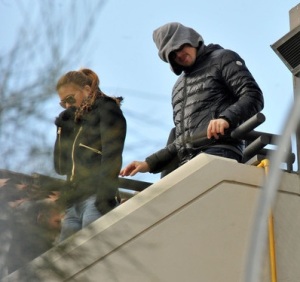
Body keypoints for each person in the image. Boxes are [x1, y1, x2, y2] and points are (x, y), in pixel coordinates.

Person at [120, 22, 263, 177]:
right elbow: (182, 141)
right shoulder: (178, 88)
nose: (179, 55)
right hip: (187, 163)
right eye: (172, 55)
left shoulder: (223, 58)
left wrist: (226, 118)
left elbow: (253, 95)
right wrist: (148, 164)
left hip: (220, 150)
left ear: (191, 39)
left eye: (180, 47)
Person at [54, 68, 126, 242]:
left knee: (92, 253)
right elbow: (60, 167)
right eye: (63, 103)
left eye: (70, 99)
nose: (68, 106)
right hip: (73, 203)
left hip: (95, 198)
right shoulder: (74, 122)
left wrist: (104, 197)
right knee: (67, 261)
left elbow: (112, 154)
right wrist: (61, 129)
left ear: (86, 90)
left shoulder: (107, 109)